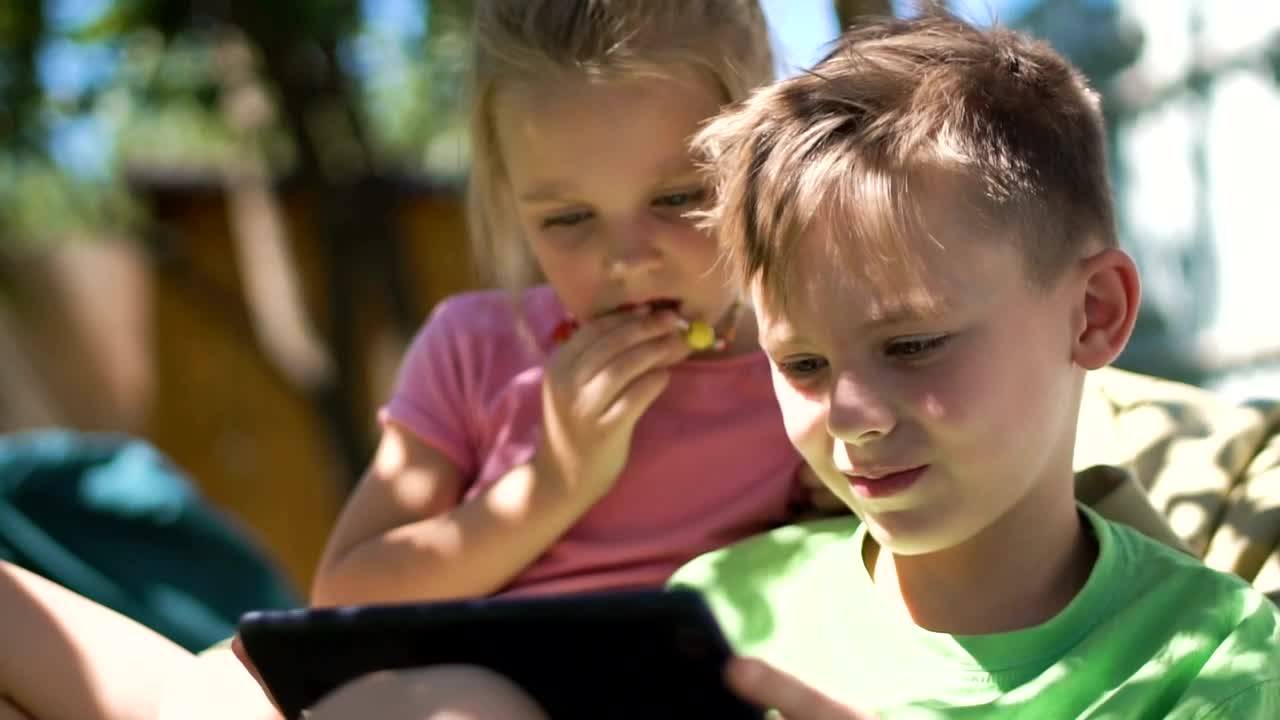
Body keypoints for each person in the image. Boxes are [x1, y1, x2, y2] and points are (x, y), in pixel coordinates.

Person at [661, 7, 1280, 718]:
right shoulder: (721, 617)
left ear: (1095, 313)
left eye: (912, 346)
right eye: (802, 363)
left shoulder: (1218, 656)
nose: (850, 415)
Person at [306, 0, 832, 608]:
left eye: (678, 198)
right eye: (570, 217)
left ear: (762, 164)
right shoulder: (474, 350)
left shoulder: (810, 365)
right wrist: (556, 481)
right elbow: (343, 598)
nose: (628, 259)